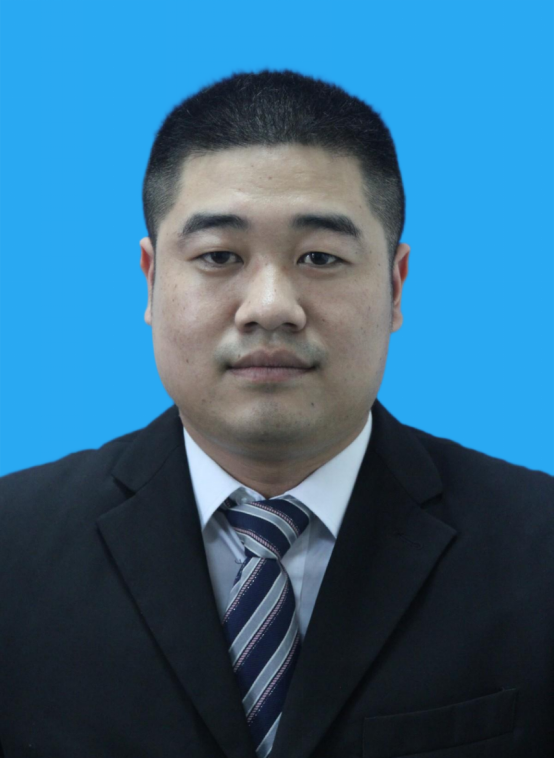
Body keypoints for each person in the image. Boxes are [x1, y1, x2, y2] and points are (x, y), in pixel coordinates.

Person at [0, 70, 552, 758]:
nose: (270, 307)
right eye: (219, 256)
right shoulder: (12, 550)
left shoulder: (538, 551)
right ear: (151, 279)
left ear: (395, 284)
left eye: (319, 256)